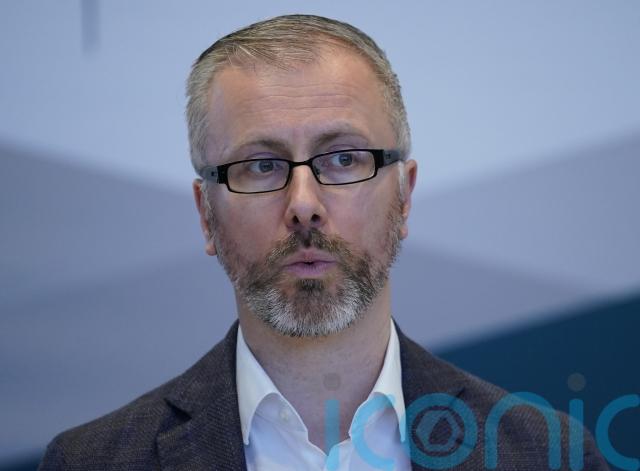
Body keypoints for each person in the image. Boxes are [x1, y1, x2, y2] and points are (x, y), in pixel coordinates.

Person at [39, 14, 609, 470]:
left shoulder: (547, 455)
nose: (304, 203)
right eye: (261, 165)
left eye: (343, 159)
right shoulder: (92, 462)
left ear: (405, 196)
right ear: (205, 215)